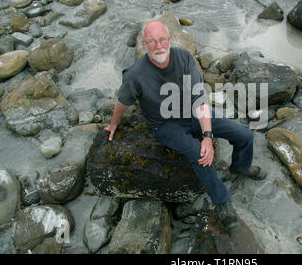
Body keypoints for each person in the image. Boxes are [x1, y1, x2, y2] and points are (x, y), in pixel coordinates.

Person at [104, 20, 267, 230]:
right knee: (198, 153)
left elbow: (199, 97)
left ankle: (240, 166)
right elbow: (122, 102)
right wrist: (113, 124)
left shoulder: (183, 58)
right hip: (165, 124)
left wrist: (207, 135)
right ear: (144, 45)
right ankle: (222, 202)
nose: (158, 45)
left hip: (191, 112)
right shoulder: (136, 74)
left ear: (169, 40)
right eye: (152, 41)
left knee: (245, 135)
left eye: (162, 39)